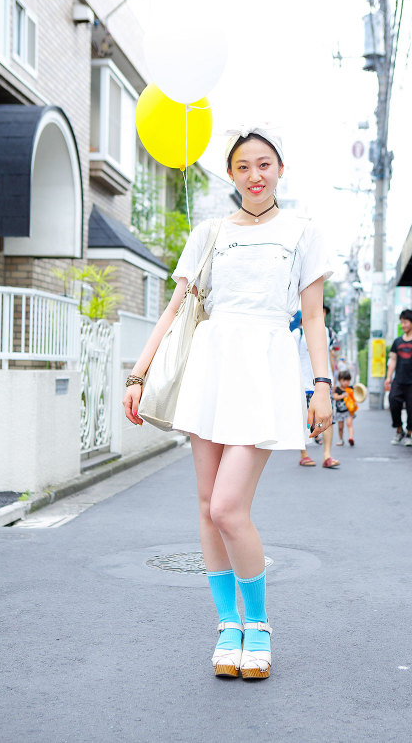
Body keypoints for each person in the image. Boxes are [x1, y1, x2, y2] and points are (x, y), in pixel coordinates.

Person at [122, 127, 334, 681]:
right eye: (243, 167)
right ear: (232, 174)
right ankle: (227, 627)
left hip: (264, 369)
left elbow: (313, 317)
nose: (255, 175)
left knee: (226, 508)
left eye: (265, 164)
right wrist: (138, 374)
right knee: (203, 506)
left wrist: (323, 384)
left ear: (280, 170)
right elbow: (175, 309)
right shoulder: (212, 232)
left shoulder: (302, 231)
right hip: (212, 367)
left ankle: (258, 624)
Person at [293, 314, 340, 468]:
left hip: (324, 384)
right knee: (304, 421)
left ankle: (327, 455)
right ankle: (304, 454)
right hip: (303, 384)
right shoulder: (298, 334)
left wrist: (334, 378)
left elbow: (332, 356)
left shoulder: (328, 333)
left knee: (327, 419)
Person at [384, 309, 412, 446]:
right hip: (399, 380)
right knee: (393, 401)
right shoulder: (397, 342)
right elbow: (393, 360)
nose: (403, 325)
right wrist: (388, 377)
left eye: (406, 322)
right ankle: (399, 430)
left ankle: (409, 433)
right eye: (402, 322)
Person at [334, 370, 356, 446]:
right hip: (340, 411)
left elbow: (357, 391)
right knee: (340, 427)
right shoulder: (338, 389)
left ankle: (351, 438)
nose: (346, 382)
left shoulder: (350, 388)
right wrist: (342, 396)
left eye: (348, 380)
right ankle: (341, 439)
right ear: (339, 380)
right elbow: (335, 397)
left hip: (348, 411)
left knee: (349, 424)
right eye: (344, 380)